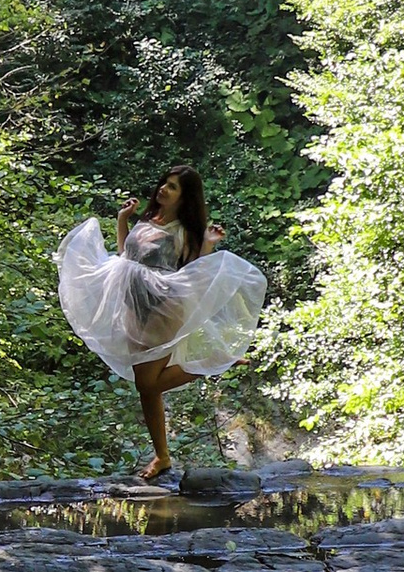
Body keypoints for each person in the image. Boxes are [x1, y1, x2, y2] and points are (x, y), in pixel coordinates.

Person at [54, 162, 268, 482]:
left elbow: (195, 270)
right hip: (132, 306)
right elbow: (126, 254)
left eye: (172, 187)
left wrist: (208, 243)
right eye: (164, 183)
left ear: (185, 197)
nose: (163, 190)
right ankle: (163, 456)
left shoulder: (183, 231)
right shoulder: (148, 220)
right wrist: (123, 220)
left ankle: (215, 362)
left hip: (163, 308)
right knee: (147, 390)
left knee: (146, 383)